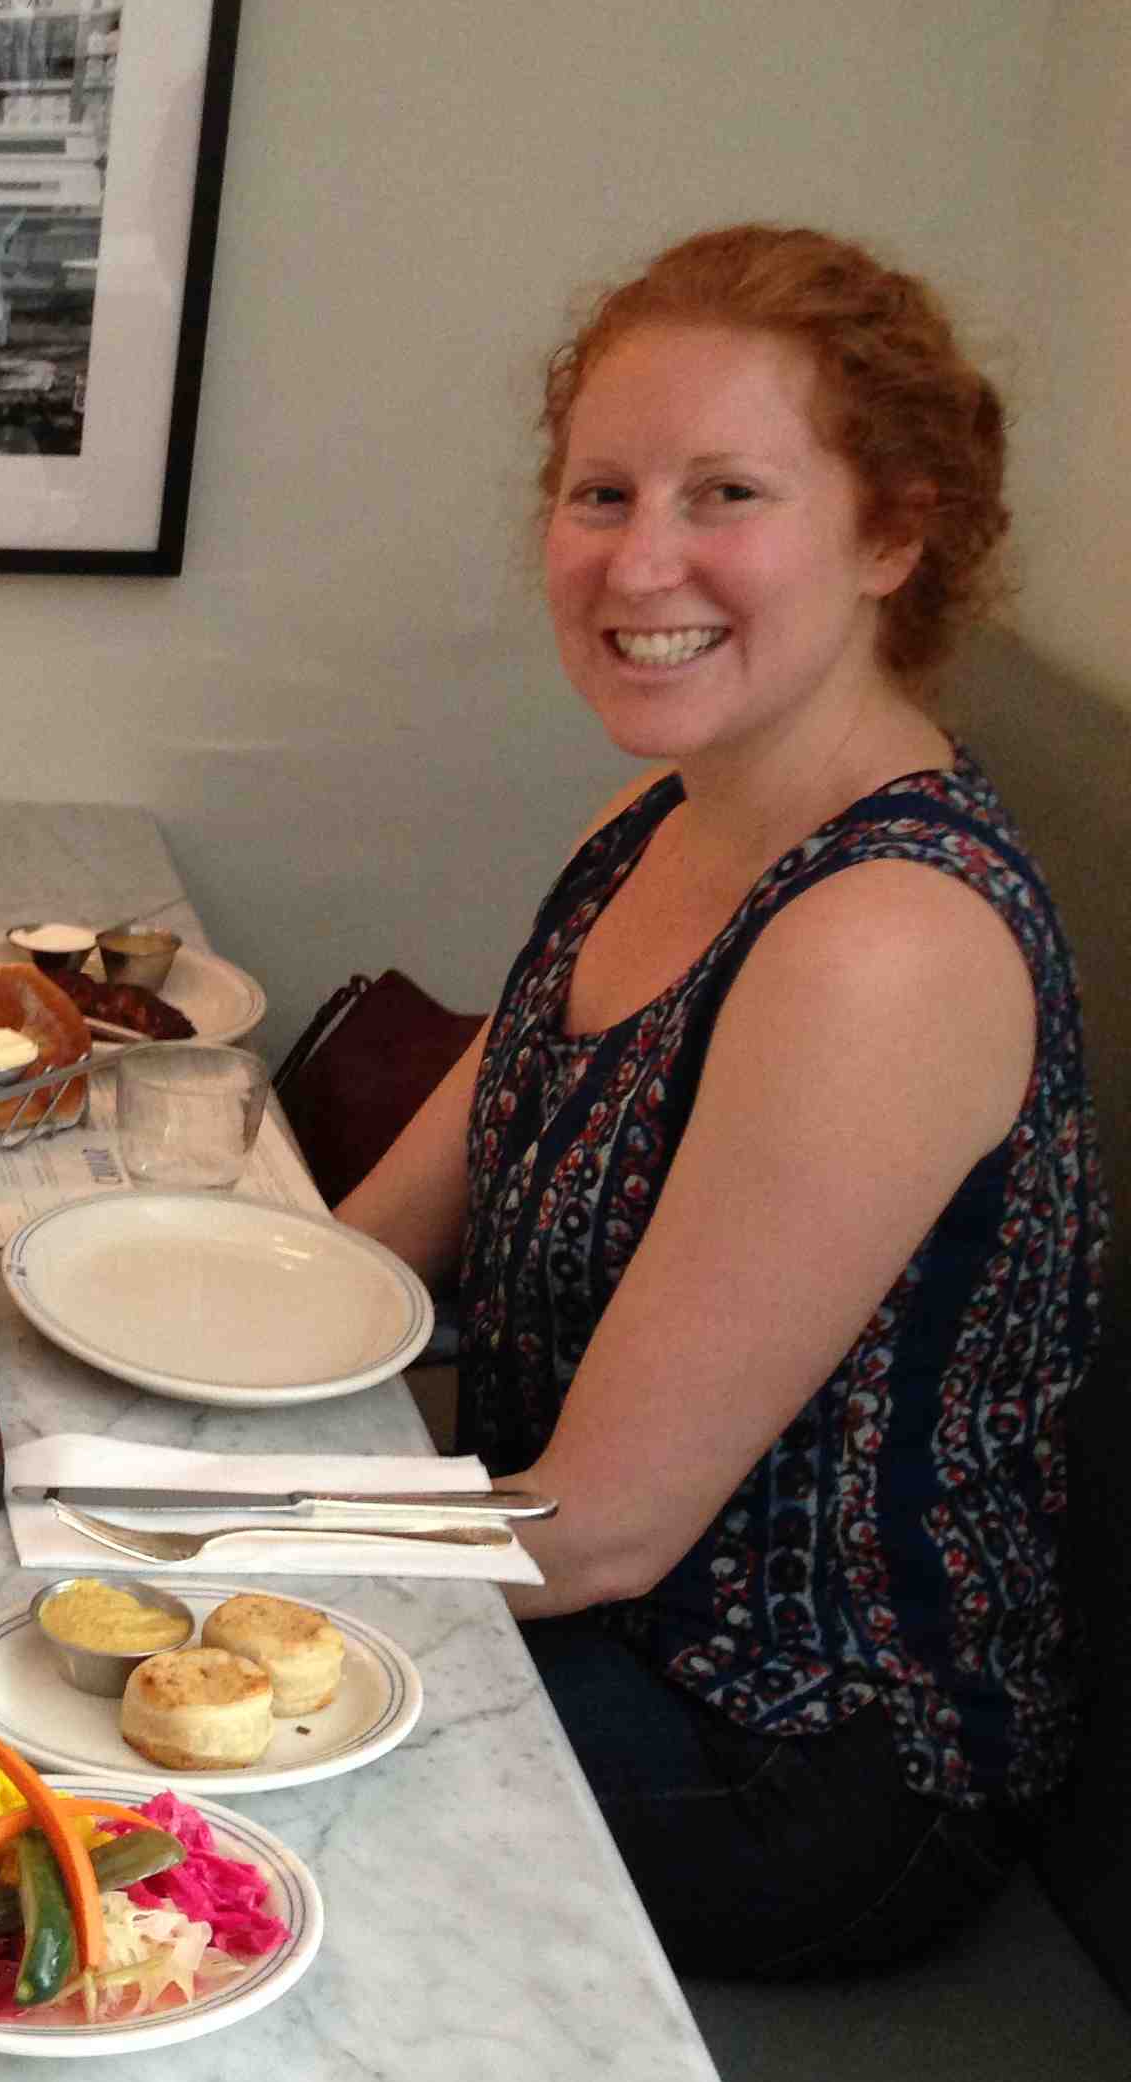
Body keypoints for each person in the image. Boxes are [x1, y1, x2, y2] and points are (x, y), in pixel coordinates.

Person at [341, 225, 1102, 1981]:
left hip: (796, 1755)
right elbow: (368, 1256)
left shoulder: (886, 939)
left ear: (891, 534)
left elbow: (600, 1525)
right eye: (600, 493)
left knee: (116, 1733)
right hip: (565, 1601)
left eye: (726, 493)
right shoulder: (655, 822)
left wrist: (169, 1545)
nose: (638, 561)